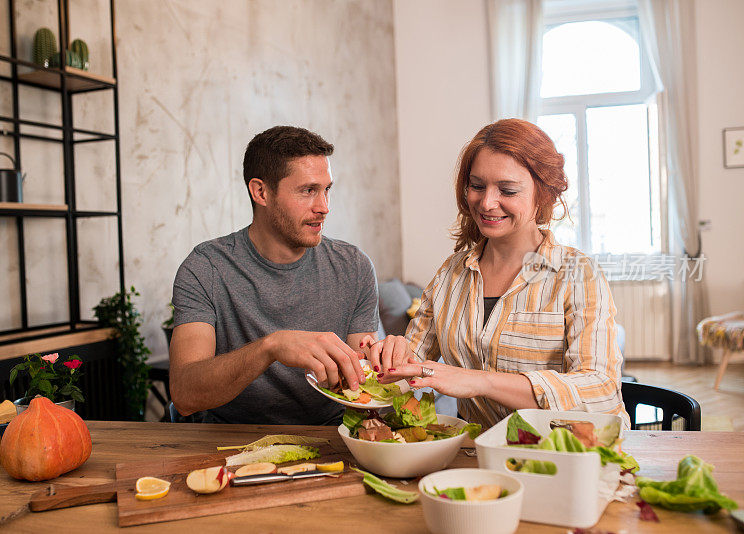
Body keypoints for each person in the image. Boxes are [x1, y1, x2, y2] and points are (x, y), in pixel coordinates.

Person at [365, 118, 629, 428]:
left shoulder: (577, 274)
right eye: (477, 186)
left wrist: (480, 381)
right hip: (486, 459)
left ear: (543, 193)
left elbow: (600, 390)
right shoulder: (451, 275)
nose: (487, 203)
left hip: (575, 455)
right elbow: (411, 365)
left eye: (507, 190)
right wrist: (389, 357)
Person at [169, 125, 379, 425]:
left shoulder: (353, 266)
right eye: (308, 191)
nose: (324, 207)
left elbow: (365, 384)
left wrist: (386, 363)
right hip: (229, 444)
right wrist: (271, 347)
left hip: (331, 437)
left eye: (326, 189)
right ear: (261, 192)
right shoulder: (206, 268)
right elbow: (185, 394)